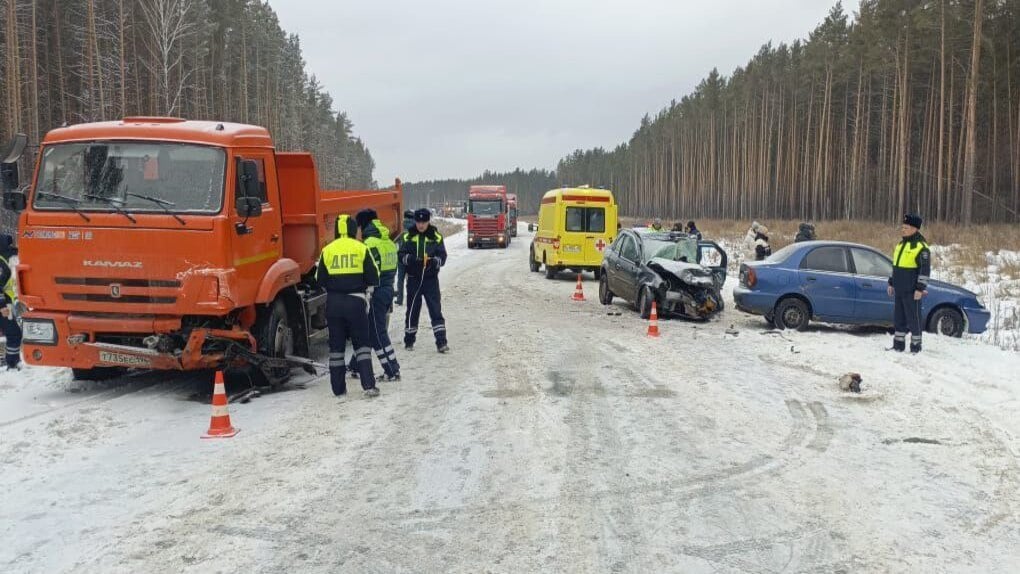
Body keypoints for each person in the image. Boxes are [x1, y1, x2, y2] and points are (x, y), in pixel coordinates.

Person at [316, 214, 381, 399]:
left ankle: (338, 390)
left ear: (337, 230)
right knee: (361, 345)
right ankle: (368, 385)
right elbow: (374, 276)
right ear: (354, 229)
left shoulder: (327, 250)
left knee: (336, 348)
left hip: (334, 304)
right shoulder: (361, 248)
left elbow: (319, 280)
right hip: (356, 302)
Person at [356, 208, 402, 381]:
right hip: (387, 289)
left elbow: (369, 273)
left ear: (363, 225)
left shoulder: (369, 245)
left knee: (377, 334)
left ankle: (392, 370)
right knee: (370, 330)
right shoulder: (388, 242)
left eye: (359, 227)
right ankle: (355, 366)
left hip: (376, 293)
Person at [400, 208, 449, 353]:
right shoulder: (408, 236)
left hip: (430, 280)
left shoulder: (437, 237)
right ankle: (409, 341)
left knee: (435, 310)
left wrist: (435, 262)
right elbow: (401, 255)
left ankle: (441, 342)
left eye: (424, 222)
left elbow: (443, 257)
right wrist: (411, 260)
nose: (421, 225)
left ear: (428, 221)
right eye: (418, 222)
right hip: (414, 280)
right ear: (415, 221)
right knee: (412, 310)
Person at [888, 214, 930, 354]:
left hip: (912, 291)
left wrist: (920, 288)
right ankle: (898, 346)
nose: (903, 230)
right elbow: (896, 266)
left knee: (914, 319)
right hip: (899, 289)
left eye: (906, 227)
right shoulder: (901, 244)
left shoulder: (921, 247)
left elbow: (924, 271)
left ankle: (915, 348)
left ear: (914, 229)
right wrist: (891, 283)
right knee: (898, 318)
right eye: (903, 227)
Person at [0, 234, 21, 371]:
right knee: (14, 333)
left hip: (7, 302)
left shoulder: (5, 259)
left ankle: (12, 361)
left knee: (13, 333)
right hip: (5, 304)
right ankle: (12, 364)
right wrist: (2, 306)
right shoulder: (5, 260)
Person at [394, 209, 415, 306]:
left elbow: (394, 242)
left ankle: (399, 299)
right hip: (411, 259)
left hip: (401, 259)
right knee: (411, 280)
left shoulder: (402, 233)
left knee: (400, 279)